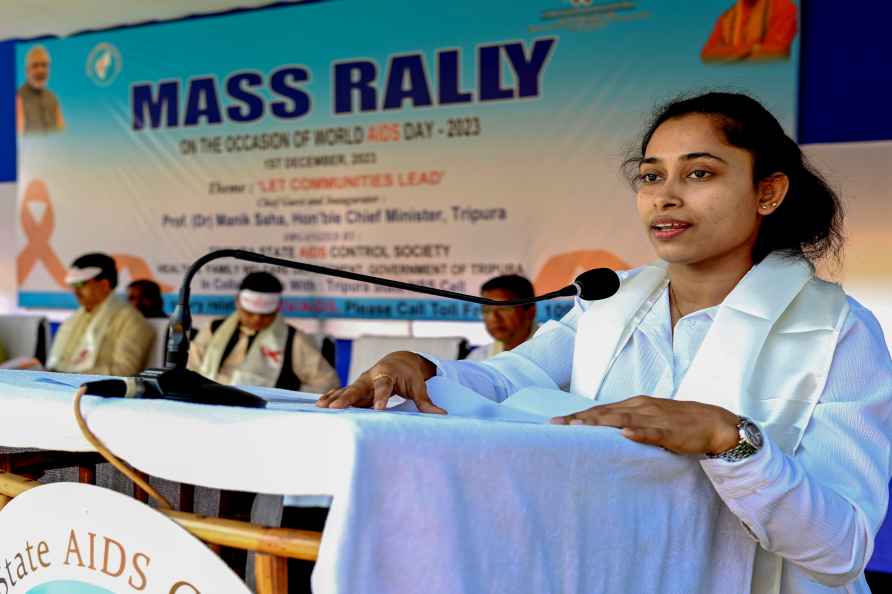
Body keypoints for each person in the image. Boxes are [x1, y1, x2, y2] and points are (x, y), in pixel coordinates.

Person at [317, 92, 892, 593]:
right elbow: (501, 381)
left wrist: (729, 440)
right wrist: (419, 367)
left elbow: (841, 551)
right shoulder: (610, 303)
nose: (665, 196)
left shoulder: (838, 331)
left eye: (699, 174)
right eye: (650, 176)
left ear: (767, 193)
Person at [187, 271, 339, 392]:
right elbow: (191, 369)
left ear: (277, 308)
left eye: (266, 315)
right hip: (210, 401)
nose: (256, 319)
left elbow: (327, 383)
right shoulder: (214, 328)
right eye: (249, 313)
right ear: (238, 303)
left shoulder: (292, 339)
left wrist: (287, 391)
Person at [48, 253, 154, 375]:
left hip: (93, 392)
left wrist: (75, 376)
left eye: (81, 284)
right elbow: (56, 364)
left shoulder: (131, 321)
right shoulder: (74, 319)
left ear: (104, 285)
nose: (75, 292)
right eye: (72, 286)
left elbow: (125, 370)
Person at [466, 275, 538, 361]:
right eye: (486, 310)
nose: (493, 318)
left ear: (530, 311)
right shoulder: (478, 359)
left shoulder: (552, 353)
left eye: (503, 308)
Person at [701, 0, 798, 62]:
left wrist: (729, 52)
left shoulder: (784, 7)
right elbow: (708, 54)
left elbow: (778, 52)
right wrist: (752, 48)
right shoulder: (727, 17)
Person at [16, 45, 64, 134]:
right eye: (35, 65)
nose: (40, 70)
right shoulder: (18, 97)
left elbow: (62, 131)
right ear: (27, 70)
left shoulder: (53, 98)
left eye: (44, 65)